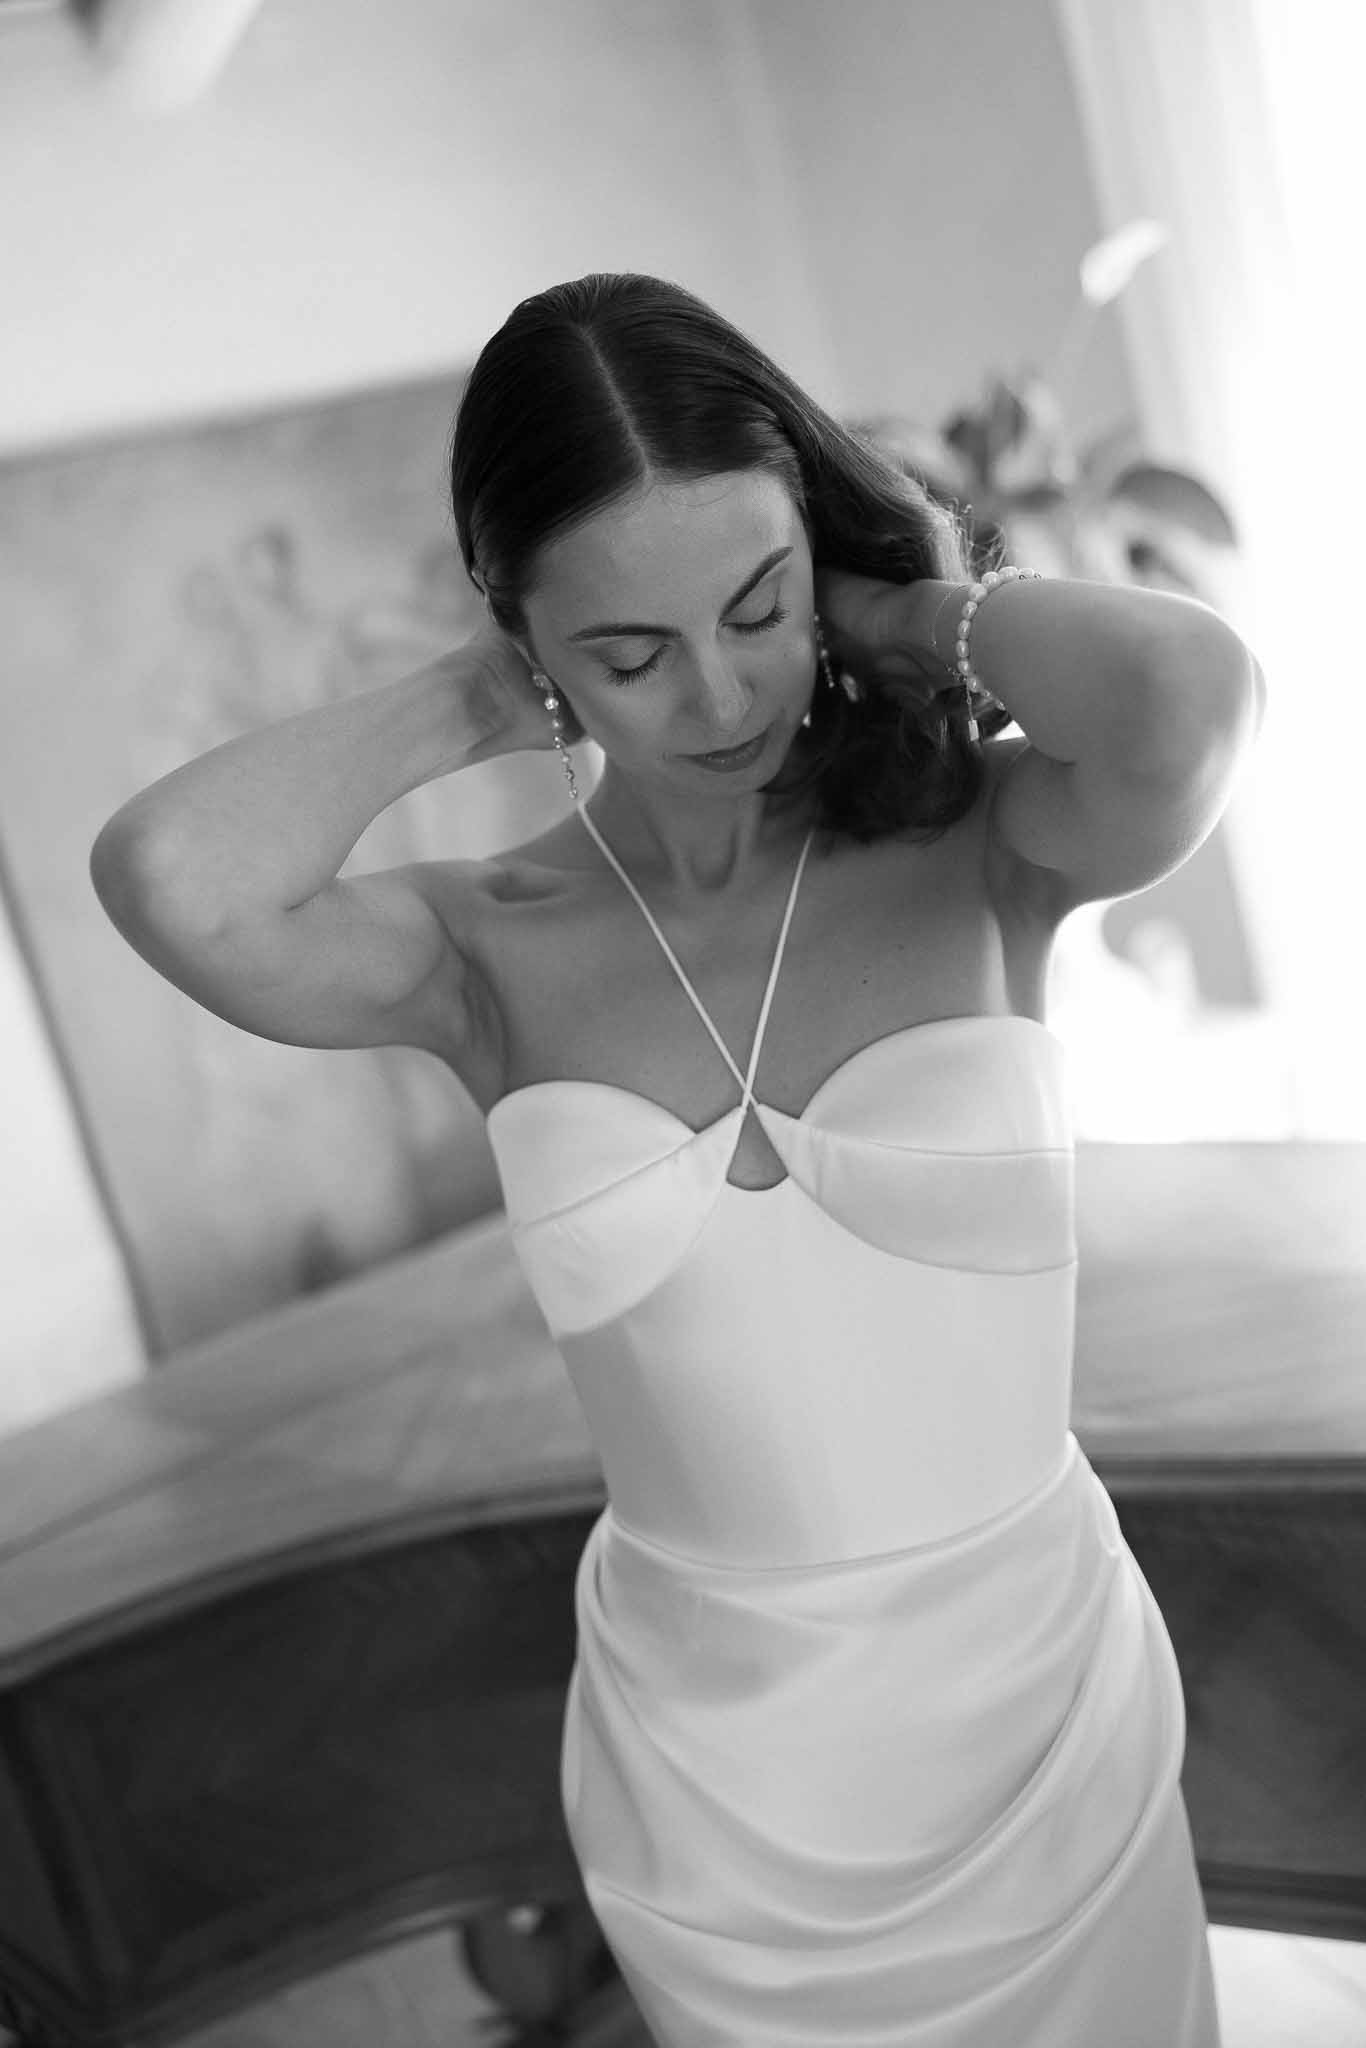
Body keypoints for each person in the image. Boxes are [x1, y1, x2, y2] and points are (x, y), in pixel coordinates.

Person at [90, 272, 1263, 2046]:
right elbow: (175, 878)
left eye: (754, 607)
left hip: (1035, 1723)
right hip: (725, 1788)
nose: (716, 695)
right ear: (530, 641)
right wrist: (482, 696)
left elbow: (1190, 691)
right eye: (628, 653)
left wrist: (884, 606)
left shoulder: (980, 840)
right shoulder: (487, 946)